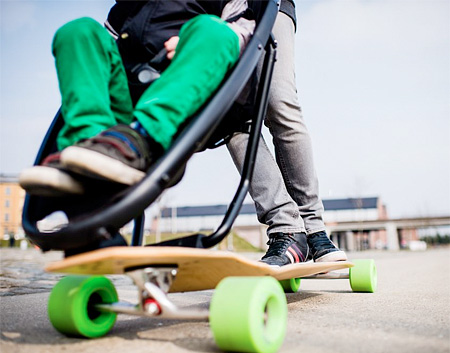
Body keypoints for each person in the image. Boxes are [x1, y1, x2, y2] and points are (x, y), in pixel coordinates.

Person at [19, 0, 255, 196]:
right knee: (78, 31)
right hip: (123, 104)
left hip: (175, 105)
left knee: (213, 31)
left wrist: (190, 42)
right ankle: (84, 144)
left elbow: (245, 32)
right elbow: (101, 52)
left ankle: (143, 138)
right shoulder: (128, 8)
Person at [227, 0, 347, 266]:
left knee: (279, 101)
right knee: (230, 116)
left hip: (269, 5)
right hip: (214, 15)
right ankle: (286, 228)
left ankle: (315, 231)